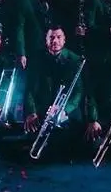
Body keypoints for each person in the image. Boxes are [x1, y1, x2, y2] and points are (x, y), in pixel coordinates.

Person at [29, 25, 87, 161]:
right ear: (46, 40)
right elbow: (30, 88)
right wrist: (32, 111)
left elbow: (78, 92)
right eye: (51, 37)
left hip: (67, 108)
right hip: (44, 106)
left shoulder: (76, 60)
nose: (55, 41)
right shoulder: (37, 58)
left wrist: (64, 111)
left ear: (64, 40)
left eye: (58, 37)